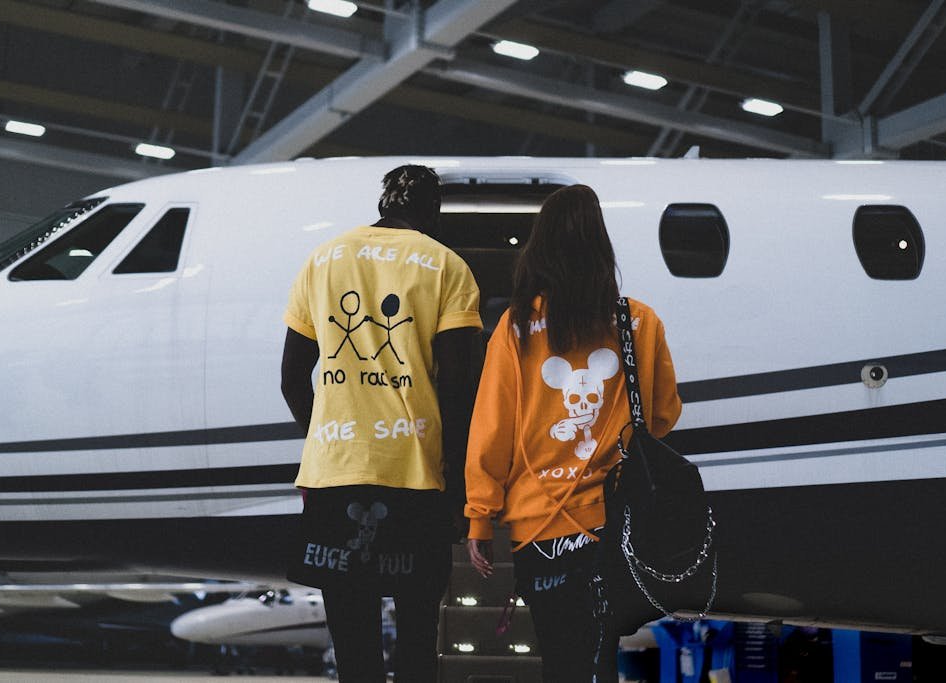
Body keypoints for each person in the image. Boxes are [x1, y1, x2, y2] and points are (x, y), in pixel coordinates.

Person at [464, 184, 682, 682]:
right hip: (614, 526)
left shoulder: (516, 328)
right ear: (600, 247)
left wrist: (479, 518)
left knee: (559, 662)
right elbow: (664, 416)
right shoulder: (637, 321)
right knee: (599, 657)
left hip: (537, 531)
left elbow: (492, 429)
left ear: (540, 250)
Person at [281, 165, 482, 682]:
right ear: (432, 208)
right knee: (417, 635)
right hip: (415, 474)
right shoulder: (447, 266)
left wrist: (328, 431)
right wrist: (459, 484)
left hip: (334, 473)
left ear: (385, 201)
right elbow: (461, 390)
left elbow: (290, 377)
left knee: (351, 638)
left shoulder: (322, 259)